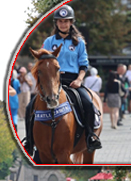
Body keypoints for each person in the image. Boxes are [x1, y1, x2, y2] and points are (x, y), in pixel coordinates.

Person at [39, 4, 101, 151]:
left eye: (66, 21)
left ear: (71, 22)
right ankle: (30, 142)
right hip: (53, 81)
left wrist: (79, 80)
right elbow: (42, 63)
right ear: (56, 23)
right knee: (32, 106)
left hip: (73, 80)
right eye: (60, 21)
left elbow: (84, 65)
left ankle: (91, 136)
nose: (63, 24)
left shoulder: (79, 42)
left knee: (88, 103)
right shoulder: (49, 42)